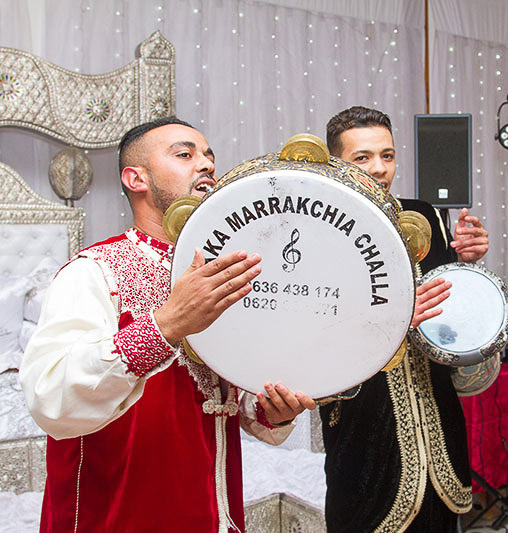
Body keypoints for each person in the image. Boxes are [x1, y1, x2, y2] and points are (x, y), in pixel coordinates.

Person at [20, 117, 316, 533]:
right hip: (117, 516)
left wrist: (273, 410)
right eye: (184, 154)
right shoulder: (94, 270)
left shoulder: (223, 270)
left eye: (209, 156)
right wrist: (165, 325)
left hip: (213, 509)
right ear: (136, 178)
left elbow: (230, 395)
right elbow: (51, 397)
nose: (206, 165)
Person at [320, 106, 489, 532]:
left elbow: (449, 319)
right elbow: (314, 340)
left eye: (388, 155)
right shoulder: (316, 230)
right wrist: (393, 321)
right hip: (365, 439)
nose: (380, 168)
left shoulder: (424, 217)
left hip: (440, 431)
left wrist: (467, 266)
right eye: (362, 157)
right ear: (335, 163)